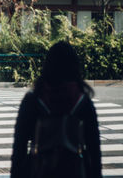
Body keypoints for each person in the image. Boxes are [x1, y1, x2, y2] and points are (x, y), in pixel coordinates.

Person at [10, 41, 102, 178]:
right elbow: (94, 150)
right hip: (74, 171)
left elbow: (19, 147)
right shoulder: (83, 102)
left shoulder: (33, 100)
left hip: (39, 170)